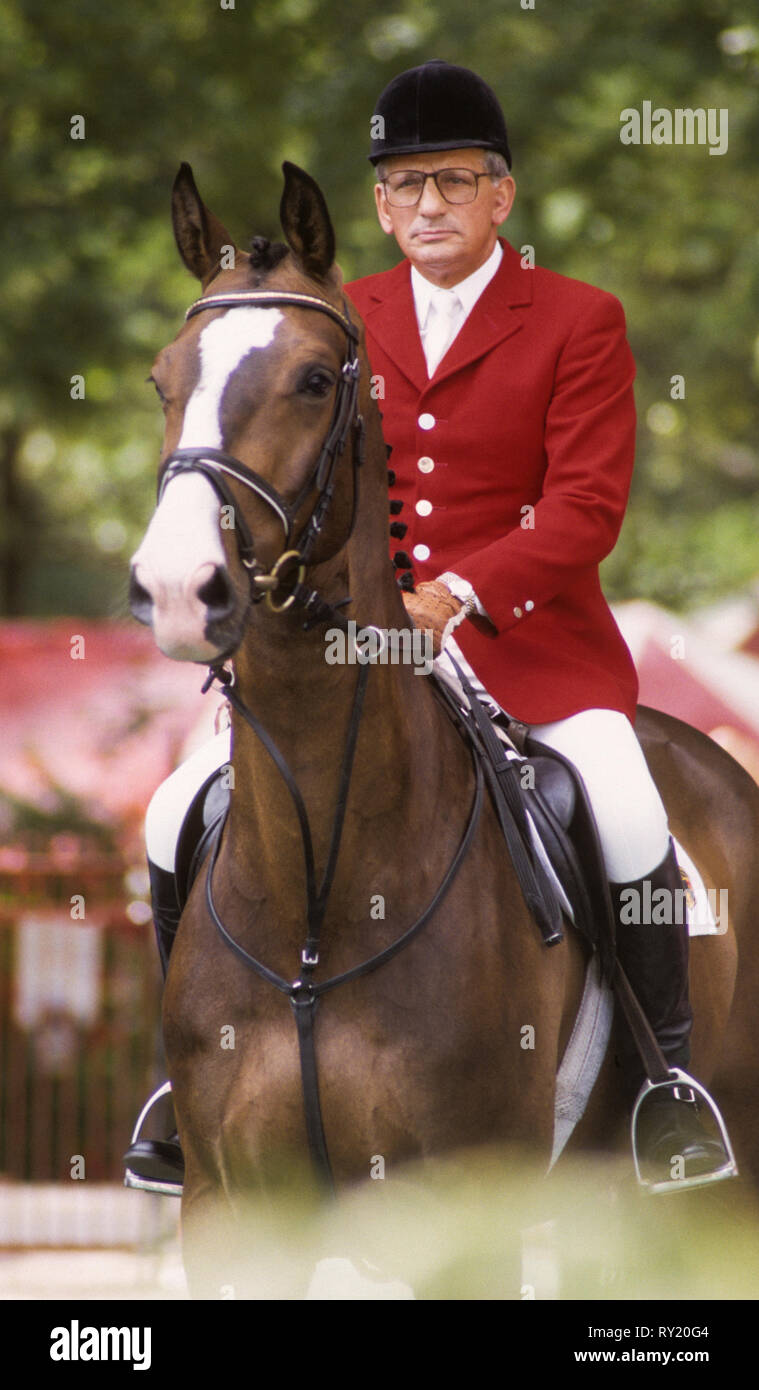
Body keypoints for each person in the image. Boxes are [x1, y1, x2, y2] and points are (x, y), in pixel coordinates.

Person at [124, 59, 733, 1195]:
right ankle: (182, 1086)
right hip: (349, 663)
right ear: (379, 204)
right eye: (403, 186)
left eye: (453, 181)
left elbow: (586, 508)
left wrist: (458, 593)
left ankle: (667, 1086)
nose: (428, 207)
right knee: (173, 812)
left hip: (531, 654)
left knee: (627, 801)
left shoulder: (578, 320)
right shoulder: (323, 320)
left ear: (502, 196)